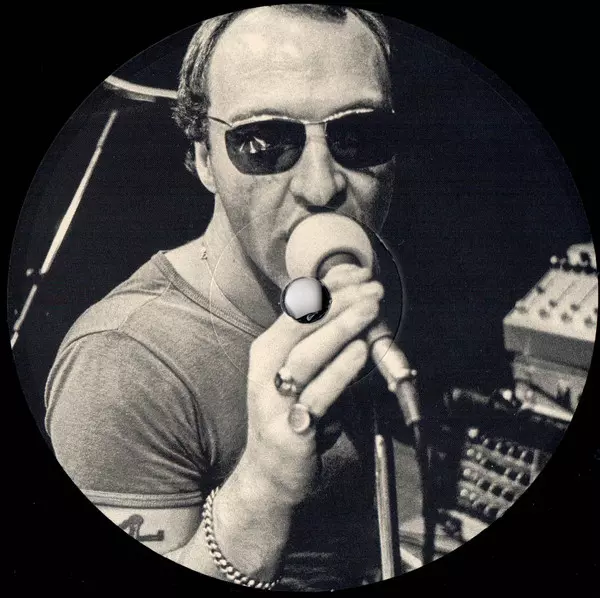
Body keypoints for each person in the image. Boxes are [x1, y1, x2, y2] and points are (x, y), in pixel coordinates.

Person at [45, 4, 411, 591]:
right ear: (203, 159)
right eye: (263, 141)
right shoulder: (124, 364)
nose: (321, 186)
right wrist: (263, 487)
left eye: (358, 134)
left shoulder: (376, 294)